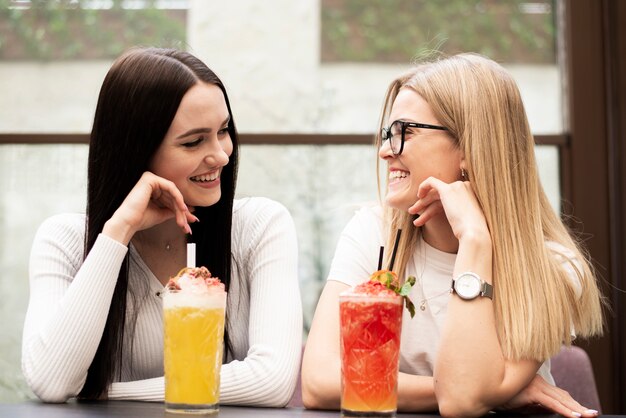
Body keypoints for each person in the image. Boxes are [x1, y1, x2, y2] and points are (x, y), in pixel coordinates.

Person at [302, 53, 604, 417]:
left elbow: (460, 402)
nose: (385, 151)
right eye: (387, 134)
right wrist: (489, 390)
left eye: (404, 133)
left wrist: (475, 239)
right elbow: (319, 381)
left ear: (468, 147)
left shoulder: (551, 266)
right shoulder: (372, 232)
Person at [21, 47, 302, 406]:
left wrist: (102, 393)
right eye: (193, 141)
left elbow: (271, 381)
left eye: (224, 130)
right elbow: (51, 381)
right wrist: (118, 231)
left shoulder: (261, 226)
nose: (221, 154)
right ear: (136, 151)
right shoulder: (63, 240)